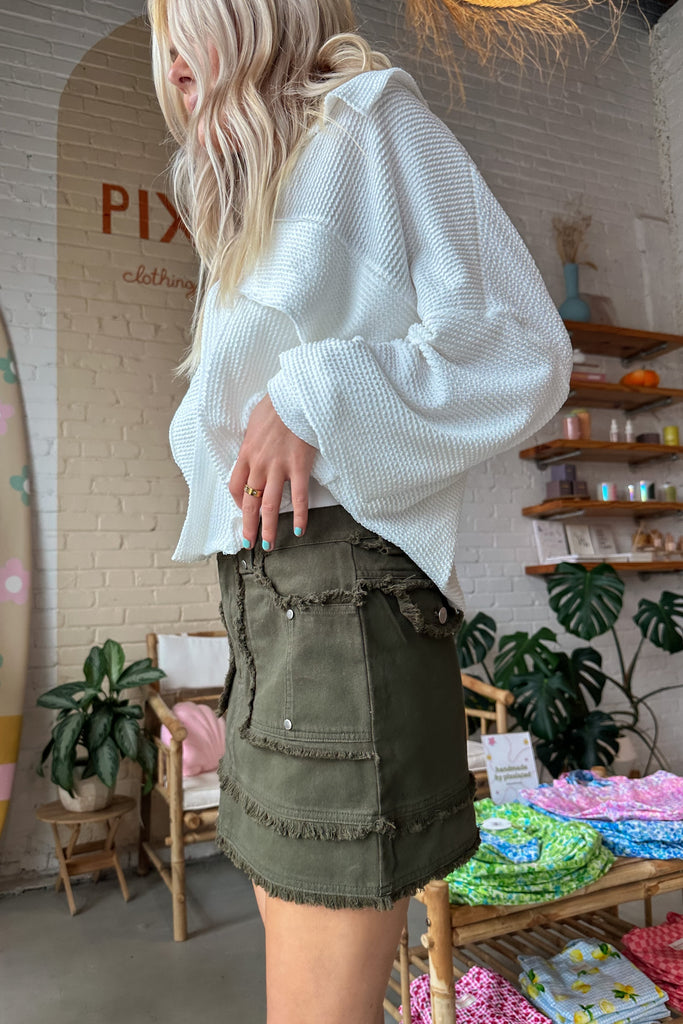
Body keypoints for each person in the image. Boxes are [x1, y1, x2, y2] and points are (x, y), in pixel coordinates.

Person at [148, 1, 572, 1020]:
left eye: (187, 23)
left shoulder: (369, 122)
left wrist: (311, 394)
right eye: (160, 37)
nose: (169, 59)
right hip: (269, 604)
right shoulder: (260, 185)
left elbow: (523, 347)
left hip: (342, 599)